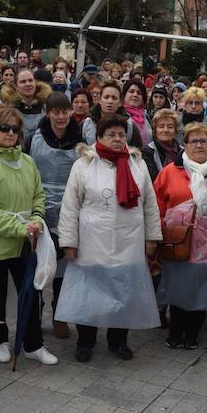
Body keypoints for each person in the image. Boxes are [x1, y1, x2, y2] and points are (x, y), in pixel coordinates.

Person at [56, 113, 162, 362]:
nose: (117, 139)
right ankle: (86, 342)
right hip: (92, 241)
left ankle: (118, 341)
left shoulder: (137, 163)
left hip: (129, 239)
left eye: (121, 134)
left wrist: (152, 237)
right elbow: (70, 206)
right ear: (99, 136)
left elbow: (150, 203)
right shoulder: (84, 164)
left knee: (124, 292)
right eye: (111, 134)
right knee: (89, 293)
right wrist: (69, 242)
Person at [0, 106, 58, 366]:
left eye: (15, 129)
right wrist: (21, 227)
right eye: (4, 128)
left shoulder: (27, 161)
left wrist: (37, 218)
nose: (10, 133)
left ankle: (33, 344)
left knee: (31, 294)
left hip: (25, 243)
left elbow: (38, 195)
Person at [154, 122, 207, 349]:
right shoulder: (170, 172)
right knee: (178, 287)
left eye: (204, 140)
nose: (200, 145)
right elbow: (156, 204)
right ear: (185, 145)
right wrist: (160, 231)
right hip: (177, 242)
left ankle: (192, 334)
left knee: (203, 288)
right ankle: (175, 333)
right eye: (194, 141)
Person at [24, 92, 81, 338]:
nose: (60, 116)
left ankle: (60, 314)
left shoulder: (81, 141)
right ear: (47, 113)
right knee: (37, 265)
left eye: (64, 111)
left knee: (64, 269)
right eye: (55, 111)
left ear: (71, 112)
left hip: (68, 212)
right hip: (38, 210)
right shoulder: (33, 139)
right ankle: (34, 314)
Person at [81, 79, 138, 147]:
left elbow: (136, 151)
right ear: (100, 100)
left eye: (114, 98)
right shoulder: (87, 123)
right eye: (106, 97)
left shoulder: (129, 125)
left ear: (120, 102)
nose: (110, 101)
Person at [1, 68, 52, 134]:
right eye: (23, 82)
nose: (28, 84)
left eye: (30, 80)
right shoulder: (8, 109)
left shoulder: (47, 106)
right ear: (16, 86)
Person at [142, 108, 182, 179]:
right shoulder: (147, 151)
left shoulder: (182, 151)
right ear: (155, 130)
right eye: (161, 126)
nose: (165, 130)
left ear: (175, 131)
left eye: (170, 127)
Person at [122, 79, 152, 145]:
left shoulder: (146, 116)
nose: (135, 95)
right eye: (131, 91)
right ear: (124, 95)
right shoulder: (119, 116)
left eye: (139, 93)